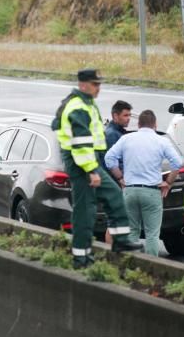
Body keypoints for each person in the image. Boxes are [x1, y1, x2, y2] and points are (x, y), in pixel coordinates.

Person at [52, 69, 136, 269]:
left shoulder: (86, 103)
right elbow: (81, 144)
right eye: (95, 84)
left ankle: (120, 240)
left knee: (114, 196)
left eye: (99, 84)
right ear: (83, 85)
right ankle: (81, 258)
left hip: (90, 160)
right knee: (85, 211)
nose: (98, 88)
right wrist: (91, 171)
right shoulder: (78, 107)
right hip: (81, 163)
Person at [104, 109, 184, 256]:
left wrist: (120, 178)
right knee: (152, 234)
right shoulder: (161, 141)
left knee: (132, 232)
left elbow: (109, 159)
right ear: (155, 124)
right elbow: (178, 163)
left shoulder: (126, 139)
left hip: (130, 190)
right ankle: (152, 269)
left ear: (139, 124)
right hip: (151, 192)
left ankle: (131, 265)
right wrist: (168, 182)